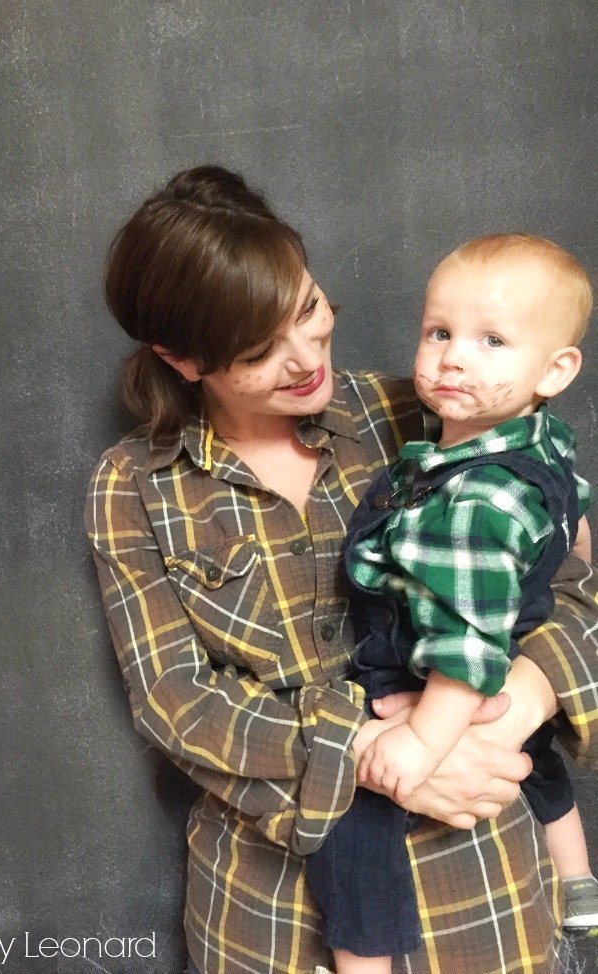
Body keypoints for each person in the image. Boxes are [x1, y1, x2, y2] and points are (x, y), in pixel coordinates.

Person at [85, 166, 598, 974]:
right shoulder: (135, 486)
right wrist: (373, 757)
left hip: (488, 896)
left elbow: (570, 584)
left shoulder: (430, 413)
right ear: (181, 359)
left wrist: (522, 699)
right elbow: (174, 701)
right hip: (274, 918)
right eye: (259, 350)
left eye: (309, 310)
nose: (304, 360)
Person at [305, 234, 597, 974]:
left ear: (556, 369)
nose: (453, 357)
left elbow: (465, 647)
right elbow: (578, 541)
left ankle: (362, 961)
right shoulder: (542, 445)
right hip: (514, 639)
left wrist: (421, 741)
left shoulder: (472, 500)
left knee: (354, 827)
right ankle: (578, 880)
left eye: (492, 340)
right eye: (439, 333)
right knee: (531, 755)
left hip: (426, 664)